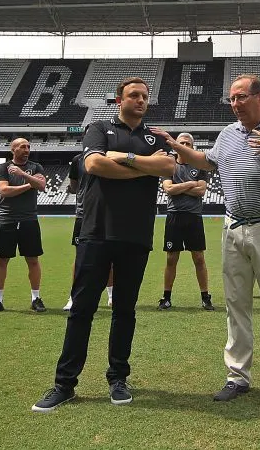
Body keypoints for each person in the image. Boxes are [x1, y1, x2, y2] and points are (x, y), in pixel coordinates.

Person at [153, 74, 260, 405]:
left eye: (241, 97)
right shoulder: (227, 135)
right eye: (232, 99)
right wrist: (174, 144)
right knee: (236, 304)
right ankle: (237, 375)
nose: (235, 104)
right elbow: (205, 161)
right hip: (233, 228)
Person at [32, 77, 174, 412]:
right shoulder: (98, 128)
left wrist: (122, 160)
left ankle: (118, 378)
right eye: (133, 95)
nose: (140, 100)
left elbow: (168, 166)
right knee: (82, 310)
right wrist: (143, 166)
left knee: (124, 311)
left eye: (144, 96)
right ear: (118, 100)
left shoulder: (153, 136)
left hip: (136, 233)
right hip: (96, 231)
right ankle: (64, 384)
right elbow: (94, 164)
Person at [0, 137, 48, 315]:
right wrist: (30, 184)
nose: (27, 149)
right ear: (13, 149)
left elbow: (42, 186)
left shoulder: (36, 167)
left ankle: (36, 298)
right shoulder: (3, 168)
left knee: (33, 260)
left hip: (29, 220)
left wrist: (24, 176)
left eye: (28, 146)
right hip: (6, 220)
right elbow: (4, 191)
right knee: (2, 260)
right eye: (22, 146)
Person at [159, 132, 214, 311]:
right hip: (174, 216)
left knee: (198, 258)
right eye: (181, 142)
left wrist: (179, 187)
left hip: (194, 217)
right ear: (176, 145)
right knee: (171, 258)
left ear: (192, 147)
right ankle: (166, 297)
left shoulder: (199, 165)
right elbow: (168, 189)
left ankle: (205, 297)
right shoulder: (169, 165)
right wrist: (191, 184)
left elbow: (201, 191)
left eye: (188, 144)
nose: (184, 146)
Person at [63, 152, 113, 312]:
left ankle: (111, 296)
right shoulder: (78, 159)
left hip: (107, 213)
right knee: (80, 258)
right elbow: (74, 186)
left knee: (110, 256)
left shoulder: (111, 156)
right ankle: (74, 296)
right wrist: (71, 189)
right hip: (83, 214)